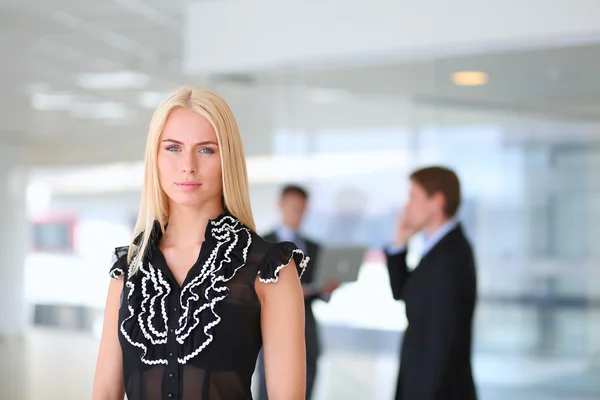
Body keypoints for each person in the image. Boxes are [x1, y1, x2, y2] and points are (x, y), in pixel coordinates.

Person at [92, 87, 307, 400]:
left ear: (227, 158)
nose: (188, 165)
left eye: (206, 149)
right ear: (155, 156)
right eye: (173, 148)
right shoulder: (129, 268)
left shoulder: (268, 268)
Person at [386, 166, 478, 400]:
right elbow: (402, 292)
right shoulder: (437, 248)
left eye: (414, 197)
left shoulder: (450, 257)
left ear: (437, 202)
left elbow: (440, 346)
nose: (407, 207)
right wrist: (399, 244)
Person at [257, 185, 339, 400]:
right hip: (274, 327)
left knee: (307, 383)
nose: (297, 214)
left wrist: (326, 290)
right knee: (271, 387)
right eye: (293, 208)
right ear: (281, 206)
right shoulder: (261, 244)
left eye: (301, 209)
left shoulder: (315, 247)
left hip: (306, 328)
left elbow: (320, 292)